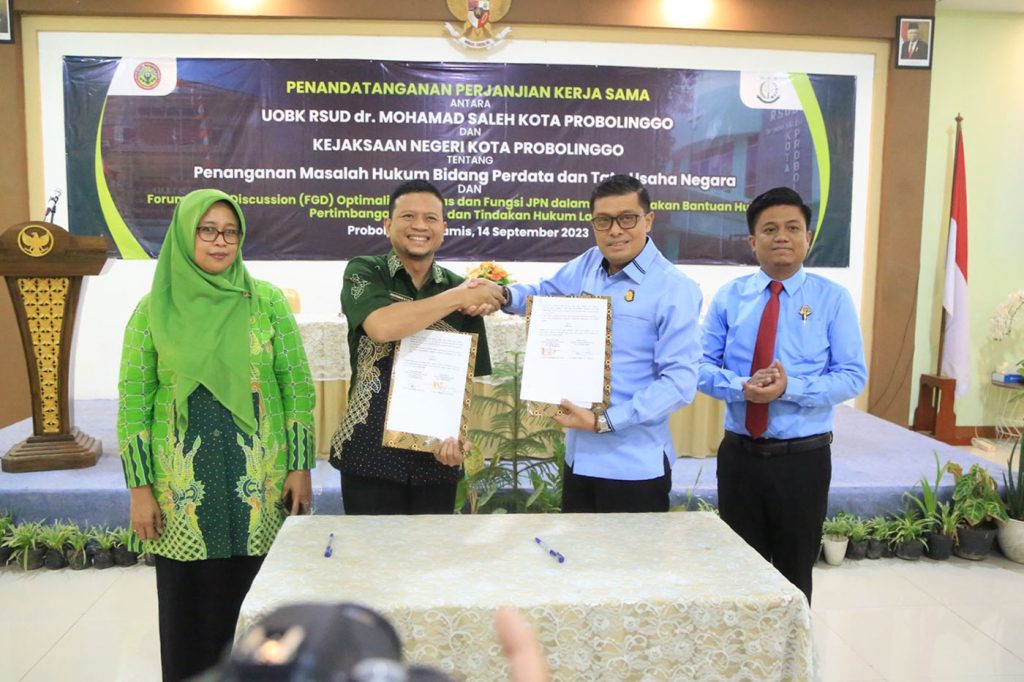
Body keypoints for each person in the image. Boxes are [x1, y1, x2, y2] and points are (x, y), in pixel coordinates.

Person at [117, 188, 316, 682]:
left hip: (260, 481)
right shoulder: (151, 311)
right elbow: (134, 404)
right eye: (207, 230)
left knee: (260, 612)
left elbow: (296, 386)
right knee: (189, 612)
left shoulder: (266, 302)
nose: (221, 241)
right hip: (182, 487)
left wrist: (300, 466)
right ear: (185, 235)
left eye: (231, 232)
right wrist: (140, 489)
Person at [697, 186, 867, 603]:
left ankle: (792, 646)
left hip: (802, 461)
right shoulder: (730, 297)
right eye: (769, 229)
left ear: (807, 237)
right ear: (752, 241)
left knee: (794, 575)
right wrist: (741, 387)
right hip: (740, 458)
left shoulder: (832, 299)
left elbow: (851, 376)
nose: (782, 237)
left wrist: (790, 388)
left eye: (793, 228)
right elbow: (697, 367)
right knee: (740, 576)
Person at [500, 174, 703, 513]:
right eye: (603, 221)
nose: (615, 230)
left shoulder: (675, 289)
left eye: (627, 218)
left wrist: (604, 421)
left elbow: (679, 384)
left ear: (648, 220)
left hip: (634, 468)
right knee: (577, 548)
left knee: (627, 551)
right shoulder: (588, 263)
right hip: (579, 461)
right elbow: (544, 294)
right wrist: (504, 295)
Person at [329, 179, 503, 514]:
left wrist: (458, 440)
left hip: (436, 456)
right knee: (370, 547)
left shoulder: (459, 288)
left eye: (431, 218)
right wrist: (458, 298)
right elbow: (382, 327)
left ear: (444, 229)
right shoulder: (365, 271)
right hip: (368, 453)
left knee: (432, 547)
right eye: (408, 216)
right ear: (388, 224)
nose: (420, 226)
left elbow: (465, 384)